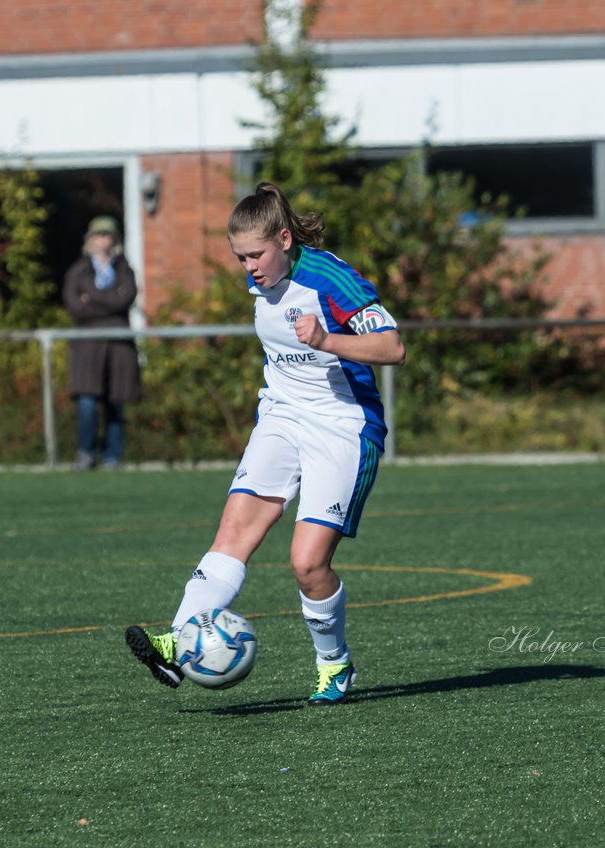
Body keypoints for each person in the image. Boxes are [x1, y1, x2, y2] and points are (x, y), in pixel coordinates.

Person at [125, 182, 405, 705]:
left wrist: (326, 340)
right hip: (281, 415)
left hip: (342, 425)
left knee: (307, 564)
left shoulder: (328, 278)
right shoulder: (263, 276)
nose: (249, 267)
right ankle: (179, 639)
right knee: (233, 529)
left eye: (256, 254)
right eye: (239, 257)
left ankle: (335, 665)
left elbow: (392, 347)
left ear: (283, 238)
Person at [62, 215, 142, 470]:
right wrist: (109, 301)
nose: (103, 240)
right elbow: (75, 305)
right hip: (87, 346)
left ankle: (112, 456)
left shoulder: (124, 270)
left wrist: (92, 299)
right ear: (90, 240)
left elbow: (125, 298)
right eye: (98, 235)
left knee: (115, 402)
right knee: (87, 402)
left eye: (107, 235)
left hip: (118, 347)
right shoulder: (78, 270)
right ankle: (86, 453)